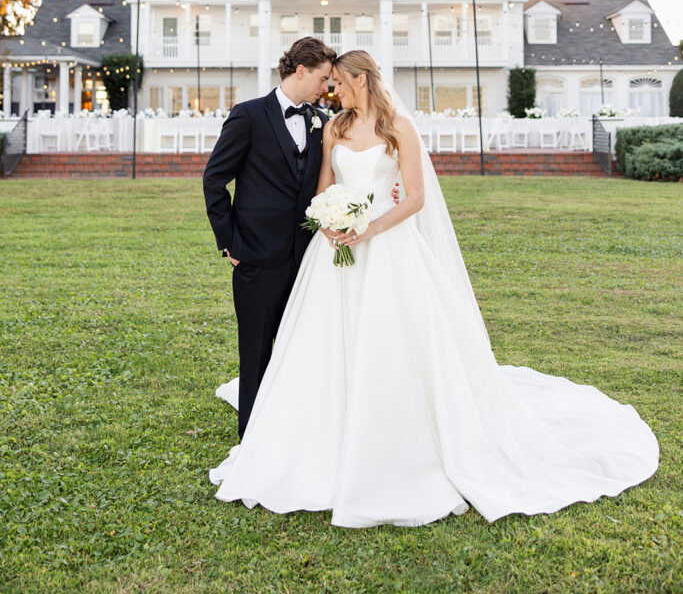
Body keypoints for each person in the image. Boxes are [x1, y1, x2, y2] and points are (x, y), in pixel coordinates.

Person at [209, 51, 659, 527]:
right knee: (324, 343)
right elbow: (322, 187)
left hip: (388, 248)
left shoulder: (398, 127)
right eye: (328, 84)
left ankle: (397, 442)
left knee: (394, 343)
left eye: (338, 82)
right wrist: (330, 222)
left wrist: (370, 227)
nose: (332, 92)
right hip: (335, 253)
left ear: (359, 79)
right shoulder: (333, 128)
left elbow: (417, 196)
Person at [202, 36, 336, 438]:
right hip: (256, 257)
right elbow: (214, 179)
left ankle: (295, 431)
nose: (328, 87)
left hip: (307, 258)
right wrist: (230, 244)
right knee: (256, 352)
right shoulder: (248, 116)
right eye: (324, 77)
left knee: (303, 348)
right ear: (301, 70)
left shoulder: (323, 122)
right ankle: (254, 437)